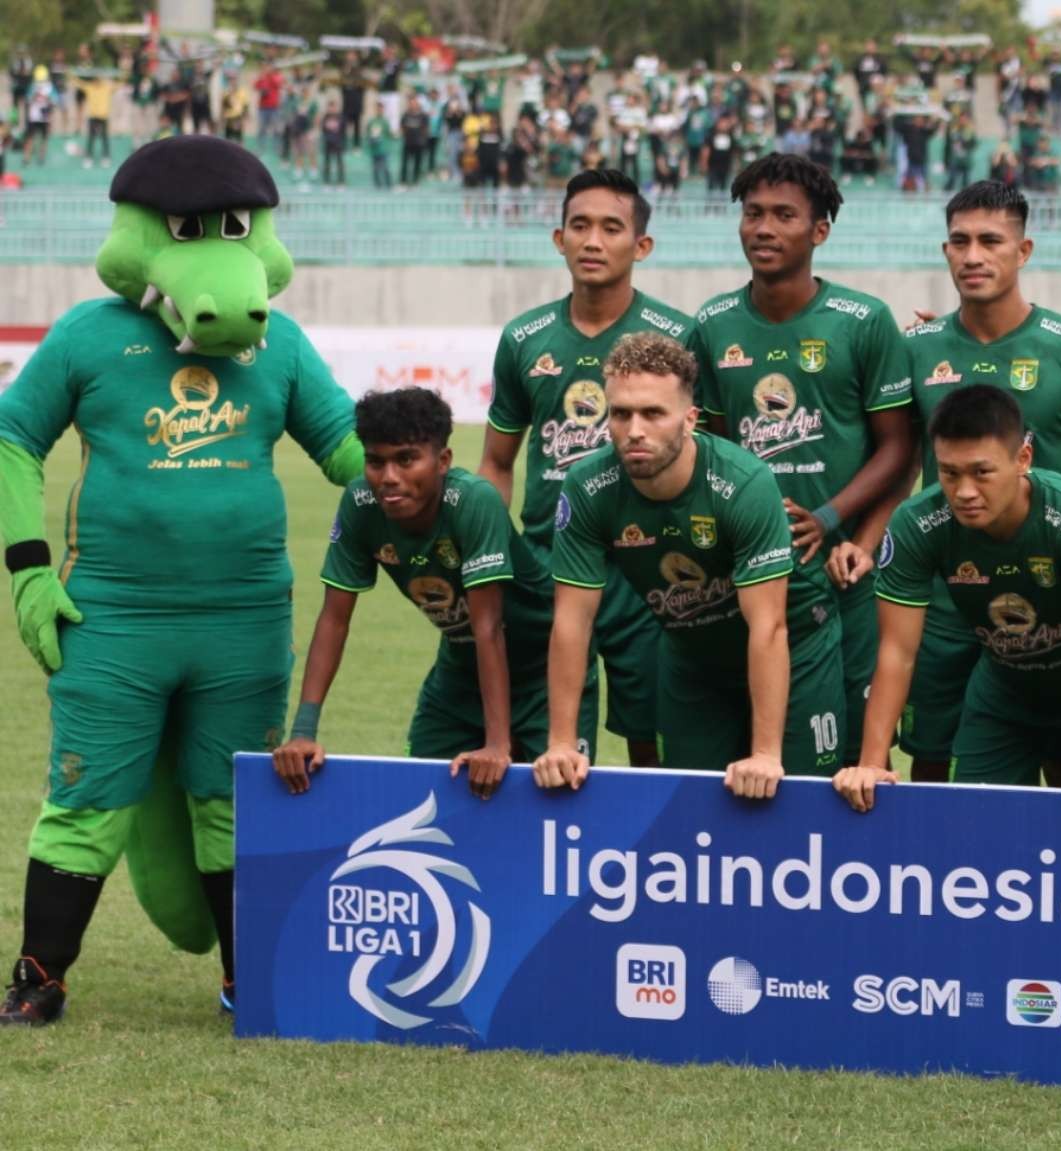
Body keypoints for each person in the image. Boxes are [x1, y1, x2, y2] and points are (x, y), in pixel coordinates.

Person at [0, 137, 364, 1024]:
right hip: (113, 616)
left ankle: (249, 983)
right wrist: (27, 572)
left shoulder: (280, 345)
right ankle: (39, 979)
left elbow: (352, 455)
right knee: (85, 796)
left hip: (244, 621)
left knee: (232, 800)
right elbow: (12, 438)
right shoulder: (90, 334)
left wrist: (440, 501)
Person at [898, 182, 1061, 782]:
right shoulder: (917, 348)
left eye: (990, 241)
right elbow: (900, 457)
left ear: (1023, 249)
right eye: (959, 241)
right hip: (949, 593)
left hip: (1051, 599)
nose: (973, 255)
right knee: (931, 758)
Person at [688, 153, 917, 769]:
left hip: (842, 569)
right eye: (753, 213)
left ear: (819, 231)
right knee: (742, 747)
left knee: (854, 758)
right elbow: (702, 446)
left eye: (784, 215)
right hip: (741, 573)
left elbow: (900, 447)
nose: (763, 228)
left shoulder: (863, 321)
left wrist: (833, 520)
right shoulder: (711, 325)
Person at [831, 385, 1061, 823]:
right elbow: (897, 653)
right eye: (948, 473)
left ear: (1023, 459)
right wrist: (870, 764)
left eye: (981, 472)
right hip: (1006, 686)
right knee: (971, 826)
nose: (963, 491)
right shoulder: (917, 523)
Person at [537, 332, 840, 793]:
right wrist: (561, 742)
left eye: (654, 413)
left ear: (690, 419)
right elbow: (572, 621)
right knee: (690, 801)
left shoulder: (743, 482)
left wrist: (764, 754)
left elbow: (769, 627)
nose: (634, 429)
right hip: (692, 654)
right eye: (620, 413)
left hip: (794, 649)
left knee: (799, 799)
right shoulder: (586, 486)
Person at [274, 388, 596, 799]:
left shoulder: (473, 501)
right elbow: (334, 619)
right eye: (376, 461)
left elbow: (489, 627)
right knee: (422, 792)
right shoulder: (360, 502)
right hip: (463, 669)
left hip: (544, 670)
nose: (389, 477)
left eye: (406, 459)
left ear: (442, 461)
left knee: (557, 798)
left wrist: (499, 744)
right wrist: (303, 732)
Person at [480, 168, 691, 769]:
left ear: (641, 246)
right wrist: (496, 551)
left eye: (611, 227)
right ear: (559, 238)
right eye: (580, 226)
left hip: (646, 565)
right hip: (550, 560)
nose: (593, 240)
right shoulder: (525, 337)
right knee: (551, 743)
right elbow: (497, 460)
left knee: (653, 739)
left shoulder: (677, 335)